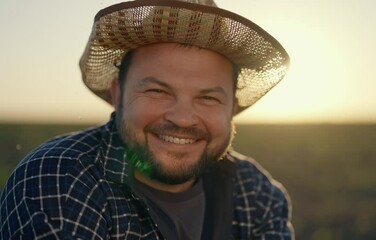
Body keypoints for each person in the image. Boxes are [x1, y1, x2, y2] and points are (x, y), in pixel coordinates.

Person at [0, 0, 293, 239]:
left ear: (231, 109)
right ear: (118, 93)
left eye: (208, 98)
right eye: (157, 90)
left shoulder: (257, 194)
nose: (183, 118)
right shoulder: (61, 180)